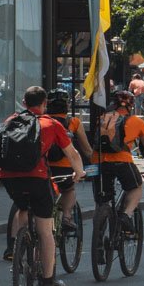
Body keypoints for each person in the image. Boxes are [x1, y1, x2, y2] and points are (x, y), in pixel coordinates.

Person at [0, 87, 86, 286]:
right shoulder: (51, 123)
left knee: (22, 208)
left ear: (23, 101)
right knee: (46, 230)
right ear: (44, 103)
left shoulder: (11, 120)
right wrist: (79, 172)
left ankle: (19, 245)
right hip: (36, 176)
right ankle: (48, 281)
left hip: (8, 176)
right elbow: (72, 153)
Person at [95, 88, 144, 234]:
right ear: (131, 106)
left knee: (103, 197)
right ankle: (126, 215)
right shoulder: (137, 121)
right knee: (136, 187)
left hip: (101, 162)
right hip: (122, 161)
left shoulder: (103, 118)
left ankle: (101, 223)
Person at [46, 89, 93, 233]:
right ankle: (66, 217)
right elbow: (86, 149)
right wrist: (94, 161)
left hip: (44, 166)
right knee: (69, 189)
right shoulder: (73, 122)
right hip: (65, 167)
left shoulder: (42, 121)